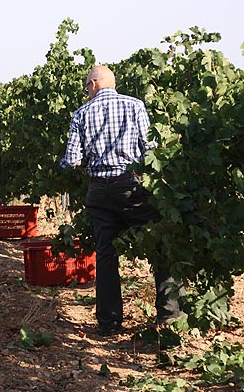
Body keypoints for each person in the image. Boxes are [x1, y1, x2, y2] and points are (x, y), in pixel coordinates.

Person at [60, 65, 184, 336]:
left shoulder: (82, 113)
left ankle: (109, 324)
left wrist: (91, 162)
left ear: (94, 83)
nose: (86, 92)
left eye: (86, 87)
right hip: (131, 188)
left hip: (99, 191)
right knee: (159, 245)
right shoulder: (135, 105)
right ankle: (169, 314)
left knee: (105, 256)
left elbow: (71, 160)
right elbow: (149, 148)